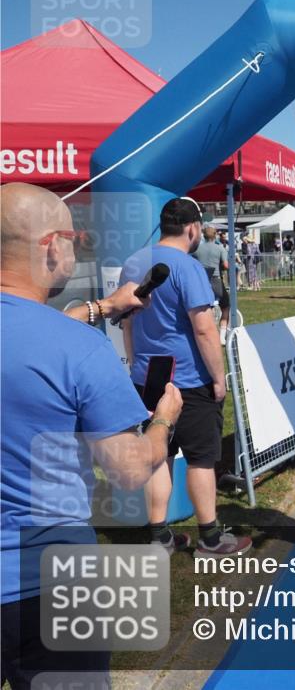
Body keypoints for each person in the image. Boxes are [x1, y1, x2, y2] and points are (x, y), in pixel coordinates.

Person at [1, 183, 183, 689]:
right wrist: (164, 419)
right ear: (49, 246)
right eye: (72, 239)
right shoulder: (79, 349)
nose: (75, 250)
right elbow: (129, 472)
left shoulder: (69, 335)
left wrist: (104, 307)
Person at [121, 198, 251, 557]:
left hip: (148, 375)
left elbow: (128, 322)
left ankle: (158, 535)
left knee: (157, 455)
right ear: (193, 228)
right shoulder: (189, 268)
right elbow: (205, 330)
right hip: (190, 377)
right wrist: (219, 377)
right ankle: (210, 537)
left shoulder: (133, 262)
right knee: (201, 459)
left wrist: (135, 363)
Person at [191, 225, 229, 344]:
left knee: (205, 308)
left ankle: (207, 334)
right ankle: (222, 337)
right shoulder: (220, 248)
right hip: (216, 280)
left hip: (201, 280)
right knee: (226, 306)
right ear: (215, 235)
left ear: (204, 235)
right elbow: (226, 265)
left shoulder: (197, 249)